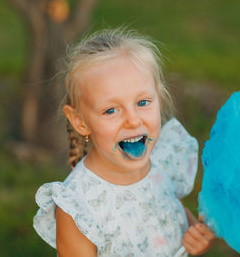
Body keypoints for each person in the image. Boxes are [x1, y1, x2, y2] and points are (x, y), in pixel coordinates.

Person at [33, 28, 215, 256]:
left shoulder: (164, 162)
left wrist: (196, 241)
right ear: (80, 121)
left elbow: (180, 228)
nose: (132, 120)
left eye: (142, 102)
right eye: (111, 110)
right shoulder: (79, 209)